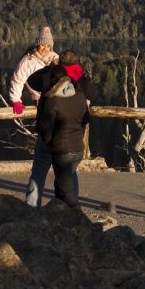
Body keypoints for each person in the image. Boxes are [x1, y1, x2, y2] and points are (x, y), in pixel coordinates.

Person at [24, 49, 99, 206]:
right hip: (72, 141)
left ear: (59, 64)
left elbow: (31, 80)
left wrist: (50, 67)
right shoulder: (79, 84)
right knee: (69, 176)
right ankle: (69, 213)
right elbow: (93, 95)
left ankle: (31, 209)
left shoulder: (50, 78)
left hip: (49, 139)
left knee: (38, 173)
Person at [34, 63, 89, 208]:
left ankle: (79, 220)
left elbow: (46, 128)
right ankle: (62, 220)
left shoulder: (52, 101)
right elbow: (85, 119)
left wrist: (49, 142)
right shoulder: (79, 96)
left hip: (61, 150)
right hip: (78, 148)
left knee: (66, 191)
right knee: (63, 185)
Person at [8, 26, 58, 114]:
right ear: (37, 45)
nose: (45, 49)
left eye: (48, 46)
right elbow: (17, 80)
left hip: (53, 97)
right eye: (42, 45)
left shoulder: (54, 57)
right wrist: (16, 100)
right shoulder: (28, 61)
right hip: (37, 98)